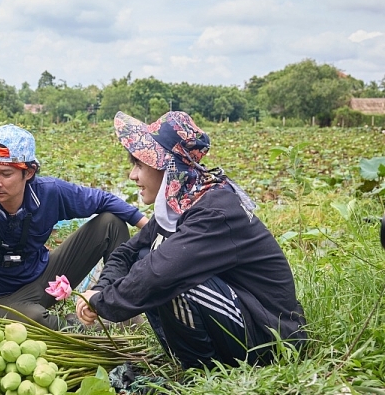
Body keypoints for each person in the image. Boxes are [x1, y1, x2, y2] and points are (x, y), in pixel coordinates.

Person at [77, 111, 308, 369]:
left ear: (168, 168)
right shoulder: (182, 202)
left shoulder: (215, 211)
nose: (133, 175)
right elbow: (127, 253)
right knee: (146, 258)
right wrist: (100, 290)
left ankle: (201, 372)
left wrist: (103, 303)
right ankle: (189, 362)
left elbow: (159, 274)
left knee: (169, 278)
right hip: (239, 319)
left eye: (139, 165)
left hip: (270, 338)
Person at [0, 123, 148, 330]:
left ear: (29, 172)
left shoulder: (48, 192)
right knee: (35, 320)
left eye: (6, 174)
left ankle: (122, 314)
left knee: (111, 222)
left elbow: (104, 200)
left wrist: (150, 228)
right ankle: (75, 326)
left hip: (43, 278)